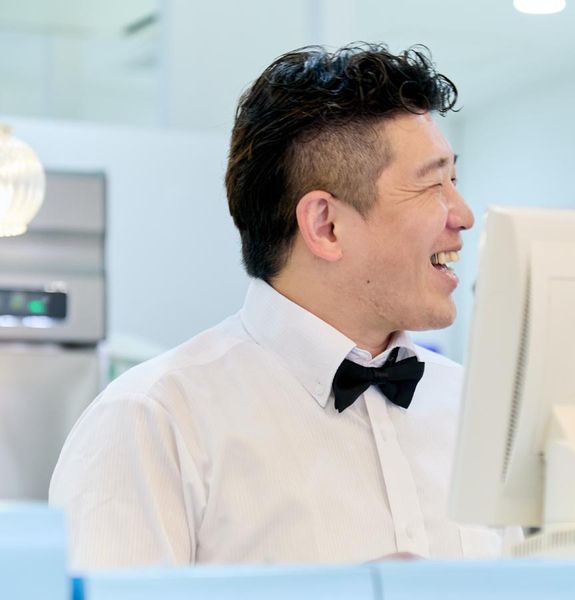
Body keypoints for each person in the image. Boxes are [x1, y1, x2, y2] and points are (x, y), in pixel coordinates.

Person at [50, 43, 501, 568]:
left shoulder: (475, 411)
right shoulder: (150, 423)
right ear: (326, 226)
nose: (464, 215)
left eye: (454, 181)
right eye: (432, 185)